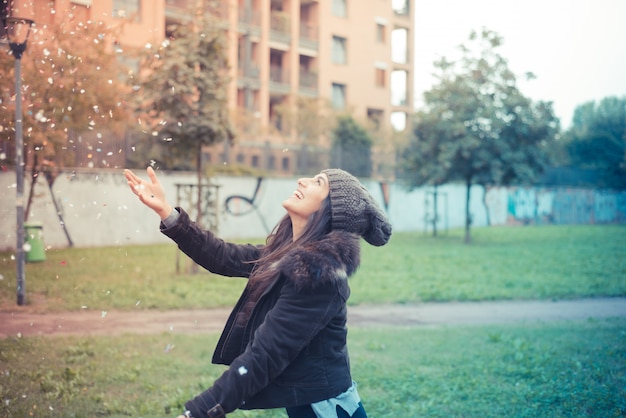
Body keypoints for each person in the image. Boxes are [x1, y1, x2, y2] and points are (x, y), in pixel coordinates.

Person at [123, 167, 392, 418]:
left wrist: (199, 411)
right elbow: (223, 256)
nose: (303, 181)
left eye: (318, 183)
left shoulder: (320, 275)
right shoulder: (289, 254)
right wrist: (167, 212)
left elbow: (265, 354)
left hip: (327, 408)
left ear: (331, 210)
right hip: (307, 402)